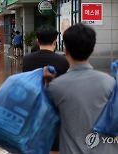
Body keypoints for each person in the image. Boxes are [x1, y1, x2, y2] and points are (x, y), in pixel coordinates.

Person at [44, 23, 118, 154]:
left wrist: (46, 84)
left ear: (65, 50)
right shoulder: (110, 83)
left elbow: (43, 119)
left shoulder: (55, 87)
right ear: (92, 50)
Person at [23, 25, 69, 154]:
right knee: (55, 147)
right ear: (55, 41)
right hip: (55, 109)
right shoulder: (63, 61)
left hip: (34, 108)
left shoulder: (27, 60)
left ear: (37, 41)